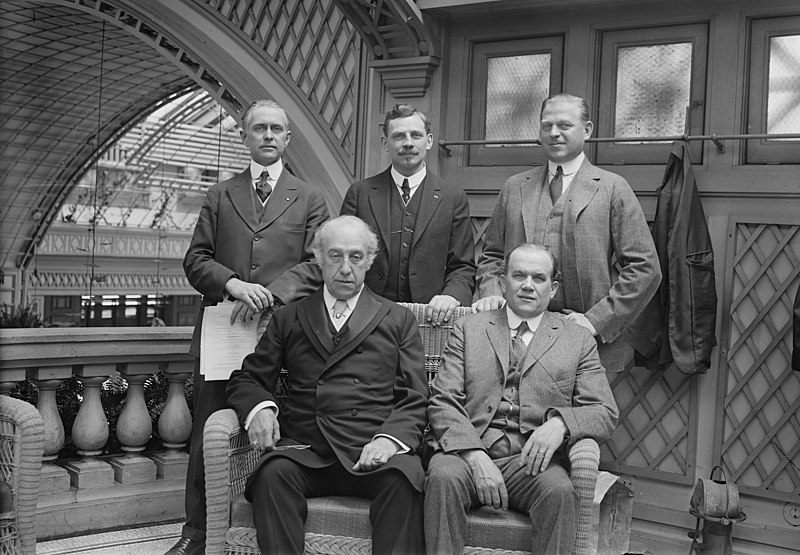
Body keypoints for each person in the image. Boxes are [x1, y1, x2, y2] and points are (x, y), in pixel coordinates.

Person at [168, 100, 329, 555]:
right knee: (208, 432)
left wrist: (273, 293)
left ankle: (269, 529)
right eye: (259, 128)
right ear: (244, 136)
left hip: (287, 332)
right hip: (224, 330)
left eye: (277, 129)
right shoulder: (220, 195)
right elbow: (195, 260)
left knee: (288, 427)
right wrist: (235, 284)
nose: (268, 135)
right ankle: (195, 534)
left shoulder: (310, 197)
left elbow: (320, 261)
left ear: (287, 138)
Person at [226, 215, 429, 554]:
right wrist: (260, 409)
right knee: (271, 475)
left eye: (356, 257)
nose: (346, 268)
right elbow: (247, 378)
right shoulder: (288, 317)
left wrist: (388, 441)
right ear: (318, 258)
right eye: (335, 256)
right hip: (308, 452)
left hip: (372, 451)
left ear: (369, 260)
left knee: (405, 480)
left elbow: (415, 395)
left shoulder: (397, 319)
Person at [425, 243, 619, 555]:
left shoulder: (577, 339)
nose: (528, 285)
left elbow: (604, 411)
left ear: (552, 288)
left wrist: (560, 425)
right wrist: (474, 456)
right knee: (443, 476)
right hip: (466, 454)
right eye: (519, 276)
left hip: (530, 464)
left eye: (538, 278)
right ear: (502, 282)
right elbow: (442, 400)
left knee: (559, 492)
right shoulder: (469, 329)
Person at [474, 93, 661, 374]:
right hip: (512, 339)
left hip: (587, 345)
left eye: (564, 125)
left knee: (576, 418)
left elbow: (645, 269)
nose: (554, 133)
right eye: (546, 126)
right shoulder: (515, 187)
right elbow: (491, 256)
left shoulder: (612, 188)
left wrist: (597, 321)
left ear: (587, 130)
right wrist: (491, 295)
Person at [340, 103, 475, 326]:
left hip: (429, 320)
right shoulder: (360, 193)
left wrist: (452, 296)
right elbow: (343, 257)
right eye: (399, 136)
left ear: (429, 141)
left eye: (416, 135)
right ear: (385, 143)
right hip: (364, 318)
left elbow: (462, 265)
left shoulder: (452, 197)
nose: (408, 143)